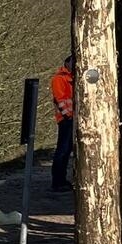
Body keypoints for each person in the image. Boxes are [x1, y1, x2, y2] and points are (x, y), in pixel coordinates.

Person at [50, 55, 74, 193]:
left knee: (66, 150)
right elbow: (61, 99)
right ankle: (58, 181)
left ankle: (61, 180)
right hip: (66, 119)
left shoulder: (70, 78)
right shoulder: (59, 79)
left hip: (71, 118)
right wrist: (68, 115)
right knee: (63, 150)